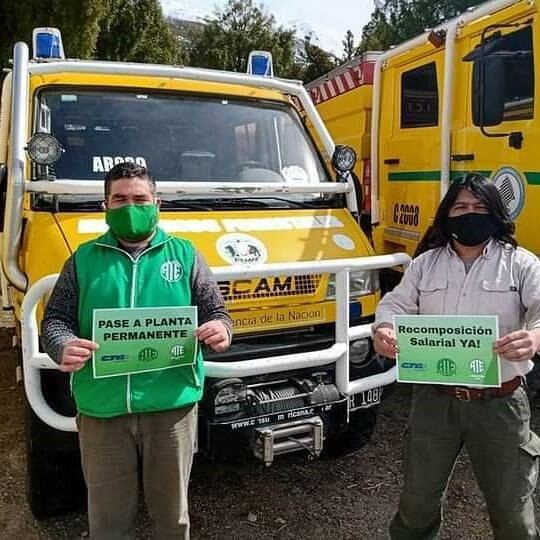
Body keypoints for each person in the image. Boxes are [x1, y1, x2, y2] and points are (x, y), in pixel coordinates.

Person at [41, 162, 232, 539]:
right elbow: (54, 321)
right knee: (108, 521)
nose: (131, 207)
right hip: (102, 410)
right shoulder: (82, 259)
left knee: (172, 518)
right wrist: (61, 346)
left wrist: (221, 330)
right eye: (120, 199)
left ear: (157, 203)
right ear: (106, 206)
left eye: (140, 199)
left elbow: (218, 312)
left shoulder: (186, 255)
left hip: (172, 409)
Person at [373, 173, 540, 539]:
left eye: (480, 207)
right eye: (461, 207)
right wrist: (384, 329)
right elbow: (395, 304)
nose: (470, 214)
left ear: (496, 213)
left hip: (500, 404)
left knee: (513, 510)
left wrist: (534, 336)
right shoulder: (425, 264)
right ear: (447, 214)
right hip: (435, 402)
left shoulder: (521, 263)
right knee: (417, 504)